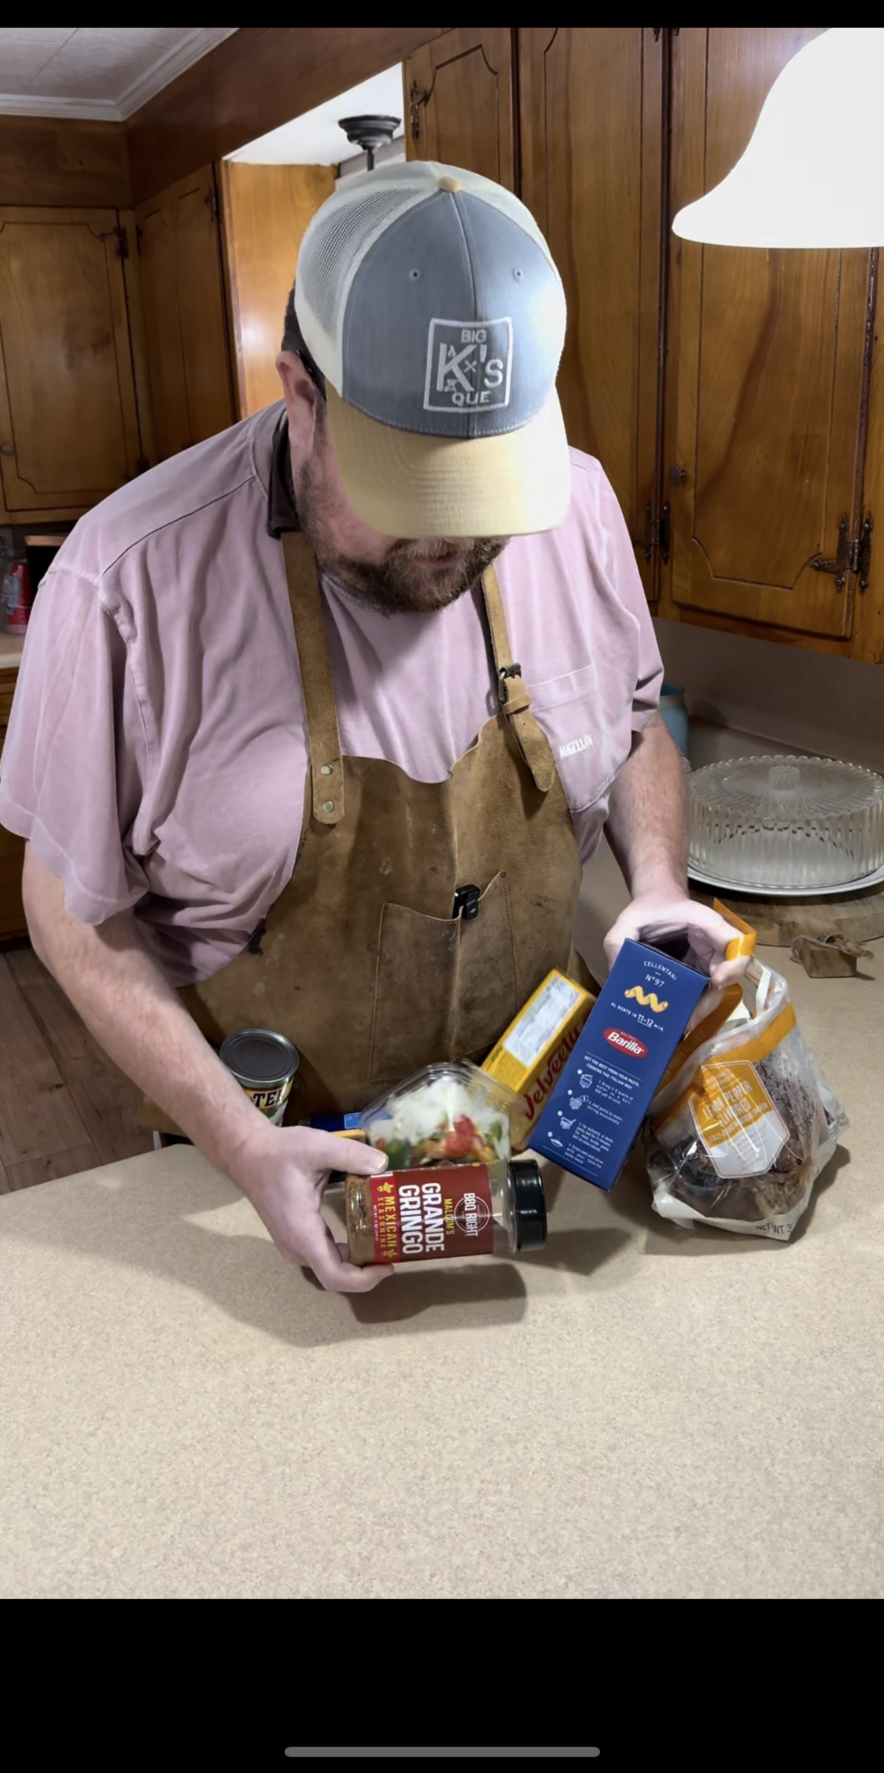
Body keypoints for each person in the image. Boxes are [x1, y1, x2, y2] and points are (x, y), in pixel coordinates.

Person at [0, 161, 743, 1294]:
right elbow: (66, 912)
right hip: (259, 1175)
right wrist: (244, 1150)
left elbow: (637, 723)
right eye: (413, 490)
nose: (451, 541)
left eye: (480, 490)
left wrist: (652, 882)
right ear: (300, 392)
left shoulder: (574, 504)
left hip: (529, 1152)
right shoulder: (125, 584)